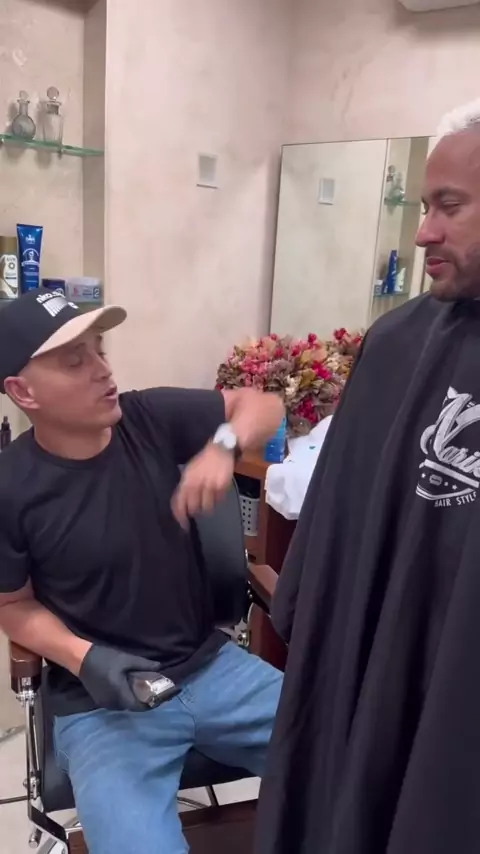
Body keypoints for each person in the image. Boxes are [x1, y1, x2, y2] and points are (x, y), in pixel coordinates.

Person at [254, 100, 480, 854]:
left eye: (449, 206)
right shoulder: (395, 342)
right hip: (365, 693)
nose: (423, 233)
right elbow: (337, 536)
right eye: (422, 207)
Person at [0, 288, 285, 854]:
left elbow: (262, 404)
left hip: (214, 669)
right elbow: (11, 604)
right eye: (75, 361)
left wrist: (222, 446)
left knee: (359, 757)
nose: (103, 370)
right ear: (22, 391)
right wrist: (85, 658)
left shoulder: (147, 417)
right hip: (103, 704)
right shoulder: (10, 488)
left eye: (100, 350)